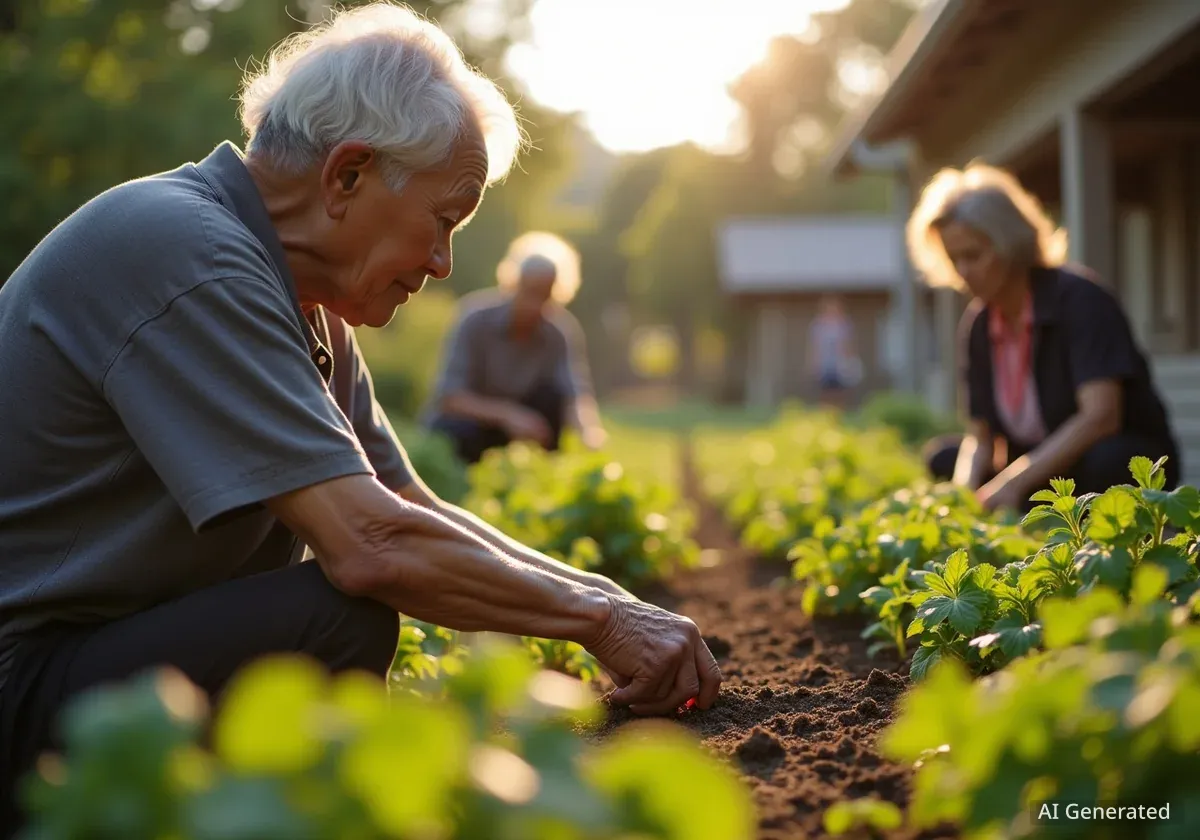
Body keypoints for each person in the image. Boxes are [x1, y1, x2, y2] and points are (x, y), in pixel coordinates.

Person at [0, 4, 720, 831]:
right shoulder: (188, 256)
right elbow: (373, 545)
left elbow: (408, 505)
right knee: (337, 618)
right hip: (22, 683)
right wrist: (602, 622)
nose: (443, 263)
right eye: (443, 220)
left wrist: (607, 599)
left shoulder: (304, 308)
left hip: (97, 673)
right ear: (348, 175)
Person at [912, 164, 1180, 511]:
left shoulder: (1081, 300)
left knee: (1109, 461)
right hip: (1041, 467)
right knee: (944, 457)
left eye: (973, 256)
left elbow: (1101, 416)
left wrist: (1012, 482)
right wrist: (962, 499)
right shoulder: (978, 326)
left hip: (1106, 458)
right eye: (953, 259)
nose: (962, 272)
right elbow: (980, 438)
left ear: (1009, 244)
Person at [425, 232, 606, 463]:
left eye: (544, 296)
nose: (535, 305)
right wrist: (508, 414)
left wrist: (589, 433)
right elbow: (449, 397)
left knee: (551, 398)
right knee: (459, 430)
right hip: (469, 425)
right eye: (530, 292)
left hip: (518, 430)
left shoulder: (558, 332)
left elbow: (574, 393)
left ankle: (540, 472)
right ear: (513, 284)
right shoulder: (475, 320)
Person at [807, 295, 861, 409]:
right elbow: (815, 346)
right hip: (824, 365)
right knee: (825, 391)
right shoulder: (818, 325)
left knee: (839, 391)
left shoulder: (844, 325)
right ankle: (825, 413)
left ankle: (839, 412)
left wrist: (851, 361)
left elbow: (849, 345)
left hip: (840, 364)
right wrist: (813, 363)